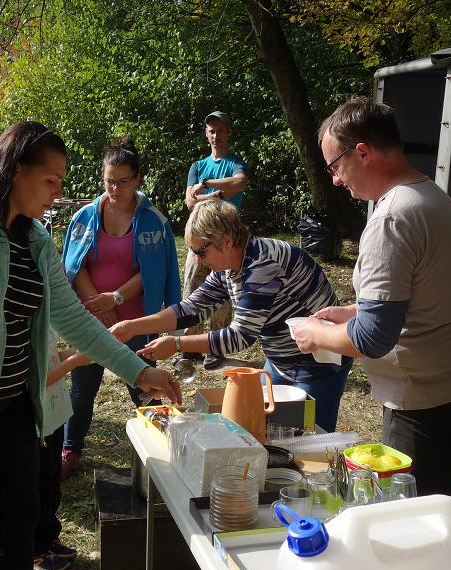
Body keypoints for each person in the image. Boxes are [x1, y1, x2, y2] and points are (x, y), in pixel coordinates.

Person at [0, 121, 181, 570]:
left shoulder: (36, 239)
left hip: (16, 406)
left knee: (19, 529)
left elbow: (74, 319)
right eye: (51, 180)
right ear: (16, 170)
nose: (57, 192)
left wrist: (139, 372)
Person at [290, 97, 451, 498]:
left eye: (334, 166)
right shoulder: (432, 196)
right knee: (446, 508)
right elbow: (429, 290)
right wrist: (354, 309)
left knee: (412, 522)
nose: (334, 179)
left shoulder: (392, 217)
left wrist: (314, 335)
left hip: (424, 402)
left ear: (362, 152)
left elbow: (372, 339)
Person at [113, 198, 353, 432]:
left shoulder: (263, 265)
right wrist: (134, 326)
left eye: (200, 251)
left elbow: (240, 336)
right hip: (281, 360)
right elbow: (192, 309)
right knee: (269, 432)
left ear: (226, 241)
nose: (197, 259)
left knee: (311, 441)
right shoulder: (230, 265)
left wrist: (177, 344)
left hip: (318, 362)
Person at [58, 137, 181, 478]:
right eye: (109, 180)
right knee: (82, 387)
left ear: (138, 179)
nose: (114, 188)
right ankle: (70, 449)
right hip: (90, 318)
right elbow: (74, 263)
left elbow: (153, 269)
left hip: (137, 320)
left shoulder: (152, 219)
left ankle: (164, 444)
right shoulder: (86, 216)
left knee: (144, 384)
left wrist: (116, 299)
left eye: (122, 181)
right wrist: (99, 302)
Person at [181, 111, 249, 370]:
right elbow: (190, 202)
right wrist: (219, 194)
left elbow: (240, 182)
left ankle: (215, 347)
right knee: (192, 289)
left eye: (220, 130)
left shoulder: (234, 163)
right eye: (211, 130)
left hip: (227, 241)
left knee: (225, 293)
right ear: (206, 134)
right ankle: (189, 347)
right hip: (198, 238)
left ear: (228, 132)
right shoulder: (196, 166)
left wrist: (207, 186)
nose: (216, 135)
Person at [34, 330, 92, 570]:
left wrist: (71, 353)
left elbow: (50, 359)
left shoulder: (43, 317)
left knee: (50, 483)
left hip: (54, 414)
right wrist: (74, 361)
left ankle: (49, 538)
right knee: (35, 488)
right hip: (35, 420)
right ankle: (35, 550)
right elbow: (36, 378)